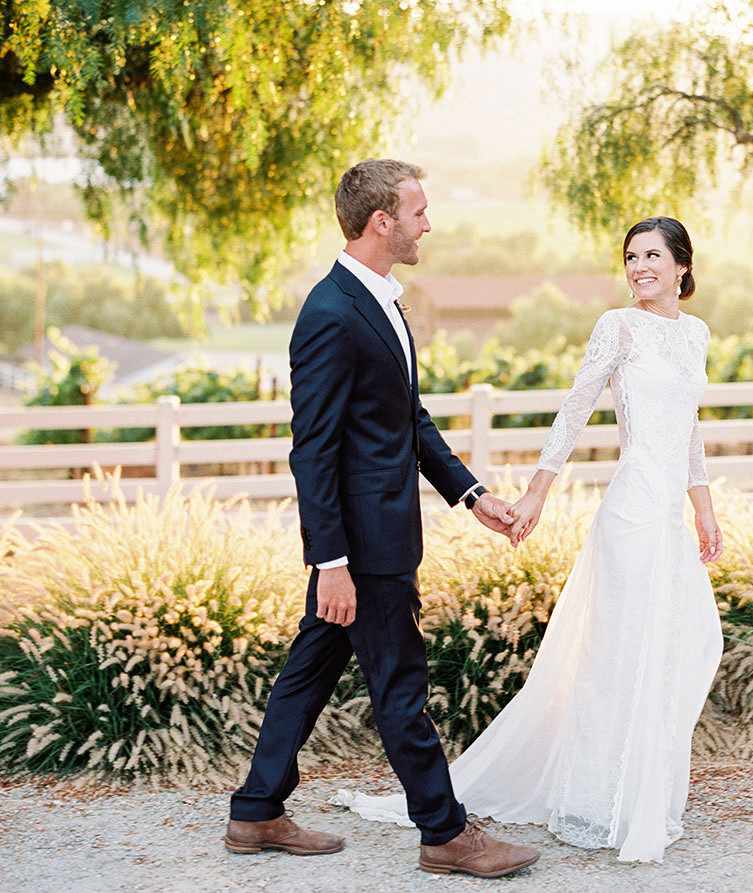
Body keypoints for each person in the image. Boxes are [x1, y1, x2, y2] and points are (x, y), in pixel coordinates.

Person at [334, 215, 725, 863]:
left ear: (683, 264)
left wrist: (704, 508)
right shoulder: (617, 327)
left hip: (671, 517)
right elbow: (574, 409)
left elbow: (690, 432)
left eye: (652, 254)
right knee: (625, 649)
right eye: (630, 256)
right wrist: (537, 492)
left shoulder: (697, 335)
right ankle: (601, 800)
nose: (638, 267)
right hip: (630, 512)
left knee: (685, 643)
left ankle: (643, 793)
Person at [224, 159, 540, 880]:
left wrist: (471, 494)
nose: (430, 223)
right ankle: (445, 832)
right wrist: (329, 561)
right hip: (364, 547)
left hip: (381, 534)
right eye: (419, 211)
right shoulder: (331, 314)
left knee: (309, 671)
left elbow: (406, 419)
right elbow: (314, 451)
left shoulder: (383, 300)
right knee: (400, 683)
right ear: (381, 222)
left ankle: (255, 810)